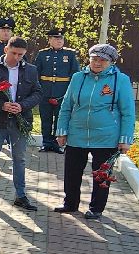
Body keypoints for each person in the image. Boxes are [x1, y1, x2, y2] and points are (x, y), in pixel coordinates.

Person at [54, 43, 133, 218]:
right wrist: (61, 131)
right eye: (94, 59)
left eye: (102, 60)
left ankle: (96, 208)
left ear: (111, 62)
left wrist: (125, 139)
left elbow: (128, 112)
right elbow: (66, 106)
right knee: (72, 172)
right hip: (77, 134)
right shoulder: (77, 77)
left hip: (106, 137)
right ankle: (70, 203)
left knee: (101, 176)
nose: (97, 63)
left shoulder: (121, 80)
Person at [0, 38, 42, 210]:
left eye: (21, 54)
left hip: (20, 121)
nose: (17, 57)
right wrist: (2, 105)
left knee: (19, 159)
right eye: (14, 53)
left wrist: (22, 106)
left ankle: (20, 196)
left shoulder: (31, 70)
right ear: (6, 49)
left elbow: (37, 93)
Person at [33, 29, 79, 153]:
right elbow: (35, 73)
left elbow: (75, 74)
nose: (59, 41)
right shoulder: (42, 54)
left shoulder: (70, 54)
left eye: (61, 39)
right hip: (45, 92)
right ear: (49, 40)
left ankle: (57, 144)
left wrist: (71, 92)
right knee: (46, 118)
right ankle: (46, 143)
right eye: (56, 38)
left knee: (60, 119)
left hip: (62, 93)